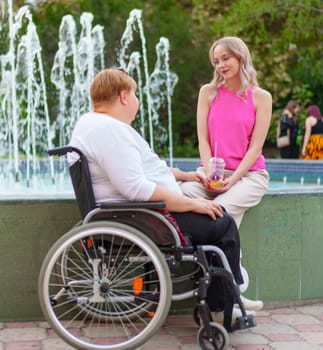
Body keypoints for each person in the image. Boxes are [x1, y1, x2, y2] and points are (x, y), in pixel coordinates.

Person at [69, 67, 245, 327]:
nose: (138, 102)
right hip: (144, 218)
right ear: (124, 96)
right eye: (136, 95)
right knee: (223, 223)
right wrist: (193, 204)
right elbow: (137, 188)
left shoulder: (95, 124)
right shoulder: (111, 131)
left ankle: (220, 296)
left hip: (135, 214)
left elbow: (145, 170)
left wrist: (185, 176)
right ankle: (223, 307)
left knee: (213, 217)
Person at [179, 36, 272, 311]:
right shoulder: (208, 92)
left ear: (240, 57)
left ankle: (232, 287)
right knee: (183, 194)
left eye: (226, 59)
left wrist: (233, 179)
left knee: (218, 213)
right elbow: (203, 140)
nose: (220, 65)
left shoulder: (261, 97)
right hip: (212, 176)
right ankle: (234, 285)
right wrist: (209, 173)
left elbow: (256, 147)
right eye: (216, 61)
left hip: (249, 176)